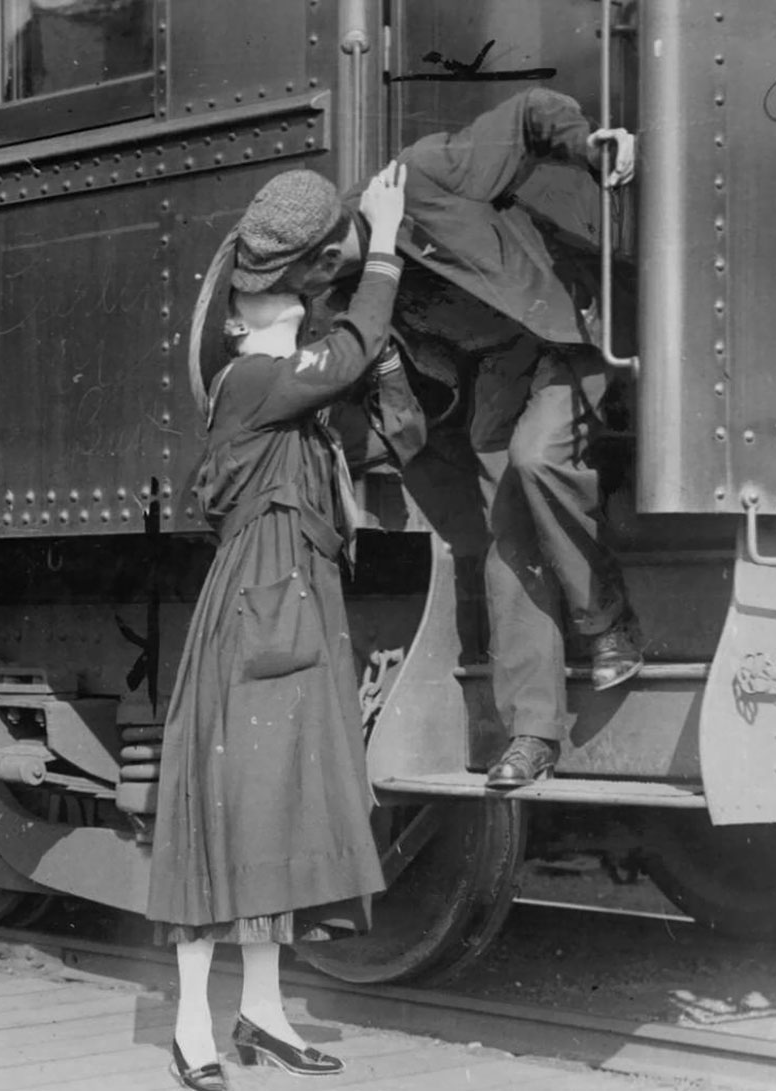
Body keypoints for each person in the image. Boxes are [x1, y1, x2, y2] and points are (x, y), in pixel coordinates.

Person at [147, 161, 416, 1089]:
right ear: (234, 321)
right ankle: (193, 1027)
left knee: (280, 805)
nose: (285, 303)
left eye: (288, 290)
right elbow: (346, 353)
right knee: (229, 817)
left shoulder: (275, 381)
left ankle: (261, 1015)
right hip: (264, 605)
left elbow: (346, 370)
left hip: (288, 599)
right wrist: (383, 246)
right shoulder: (257, 379)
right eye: (266, 298)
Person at [322, 88, 642, 789]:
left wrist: (588, 143)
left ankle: (608, 620)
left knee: (536, 457)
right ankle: (532, 732)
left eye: (319, 259)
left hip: (571, 328)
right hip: (503, 370)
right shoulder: (349, 290)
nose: (315, 278)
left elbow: (529, 115)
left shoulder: (420, 176)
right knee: (505, 531)